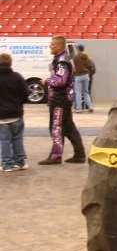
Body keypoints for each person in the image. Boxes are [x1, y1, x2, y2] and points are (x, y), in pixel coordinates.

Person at [39, 36, 86, 165]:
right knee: (69, 127)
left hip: (60, 99)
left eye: (52, 44)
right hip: (65, 98)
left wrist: (46, 81)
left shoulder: (62, 61)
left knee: (56, 127)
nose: (50, 46)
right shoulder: (64, 59)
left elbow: (60, 80)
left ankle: (56, 156)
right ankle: (79, 154)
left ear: (59, 46)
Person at [0, 53, 29, 172]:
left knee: (5, 140)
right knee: (17, 138)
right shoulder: (17, 77)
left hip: (2, 115)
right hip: (16, 113)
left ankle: (7, 164)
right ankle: (20, 162)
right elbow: (25, 94)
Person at [72, 44, 95, 113]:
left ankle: (79, 109)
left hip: (78, 76)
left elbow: (73, 67)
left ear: (78, 49)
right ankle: (90, 107)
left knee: (78, 93)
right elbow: (90, 66)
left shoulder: (75, 57)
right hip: (86, 75)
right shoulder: (87, 57)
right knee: (86, 92)